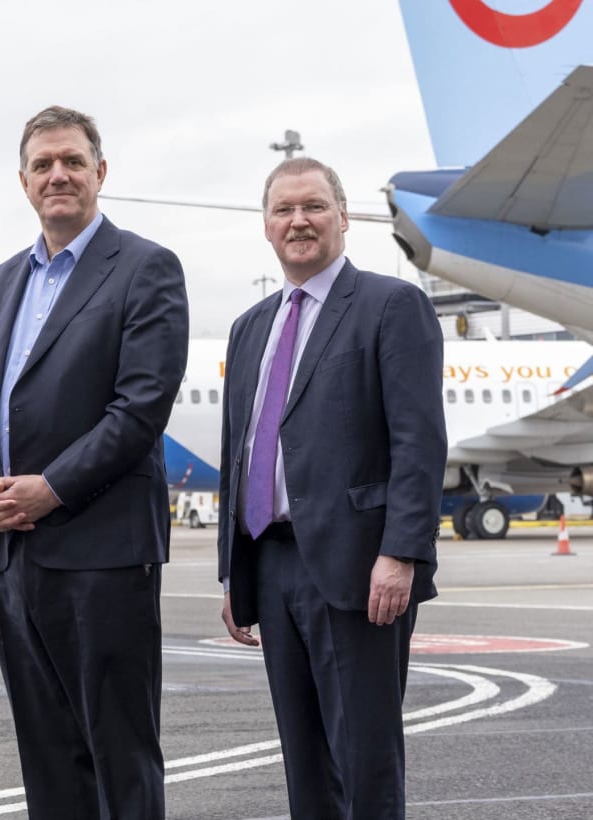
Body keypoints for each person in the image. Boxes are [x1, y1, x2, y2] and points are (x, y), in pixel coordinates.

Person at [0, 105, 188, 819]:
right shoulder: (4, 281)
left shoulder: (146, 268)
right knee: (47, 757)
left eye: (73, 162)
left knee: (119, 753)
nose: (59, 175)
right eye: (43, 164)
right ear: (23, 182)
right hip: (15, 556)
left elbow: (140, 409)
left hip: (102, 554)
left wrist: (50, 490)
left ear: (100, 173)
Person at [217, 157, 446, 819]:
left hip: (359, 568)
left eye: (314, 206)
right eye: (284, 210)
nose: (299, 221)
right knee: (305, 763)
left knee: (364, 760)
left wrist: (402, 552)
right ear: (265, 226)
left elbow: (419, 441)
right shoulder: (250, 326)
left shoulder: (391, 306)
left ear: (343, 217)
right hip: (274, 561)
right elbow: (242, 454)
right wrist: (236, 575)